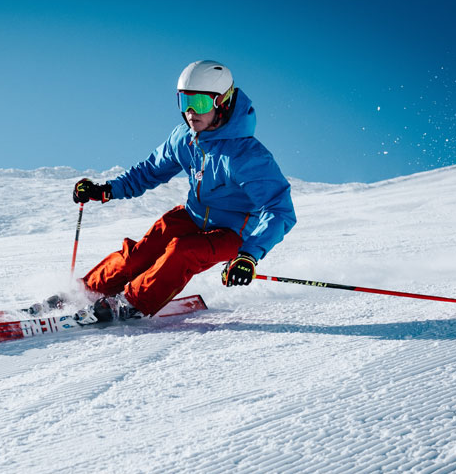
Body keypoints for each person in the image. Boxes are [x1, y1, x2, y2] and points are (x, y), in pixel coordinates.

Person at [72, 60, 297, 323]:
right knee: (140, 254)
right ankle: (85, 292)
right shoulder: (184, 138)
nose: (190, 112)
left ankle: (131, 304)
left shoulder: (247, 155)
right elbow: (148, 171)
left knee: (183, 251)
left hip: (233, 233)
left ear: (221, 102)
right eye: (184, 102)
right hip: (191, 216)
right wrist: (106, 189)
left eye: (199, 103)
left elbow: (279, 210)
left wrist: (249, 255)